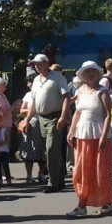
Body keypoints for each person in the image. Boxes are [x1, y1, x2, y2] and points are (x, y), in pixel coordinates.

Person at [66, 61, 112, 217]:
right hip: (83, 135)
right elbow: (78, 113)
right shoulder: (80, 91)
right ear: (83, 75)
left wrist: (103, 136)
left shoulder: (102, 92)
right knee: (81, 171)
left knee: (101, 170)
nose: (90, 74)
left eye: (93, 71)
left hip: (99, 135)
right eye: (87, 72)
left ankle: (106, 202)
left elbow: (108, 114)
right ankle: (82, 204)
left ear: (98, 74)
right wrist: (71, 131)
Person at [25, 54, 71, 193]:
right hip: (42, 118)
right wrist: (27, 120)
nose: (37, 66)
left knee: (51, 149)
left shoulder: (57, 77)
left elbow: (66, 97)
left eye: (39, 64)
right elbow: (33, 102)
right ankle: (60, 178)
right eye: (35, 64)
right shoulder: (36, 81)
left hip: (55, 117)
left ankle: (53, 182)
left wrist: (63, 117)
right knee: (51, 150)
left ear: (46, 63)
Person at [18, 75, 47, 184]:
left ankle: (41, 174)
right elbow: (21, 110)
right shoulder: (28, 95)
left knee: (43, 150)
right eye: (28, 82)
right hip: (31, 123)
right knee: (29, 149)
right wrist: (31, 110)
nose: (29, 85)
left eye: (31, 82)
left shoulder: (43, 93)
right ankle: (29, 176)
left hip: (43, 122)